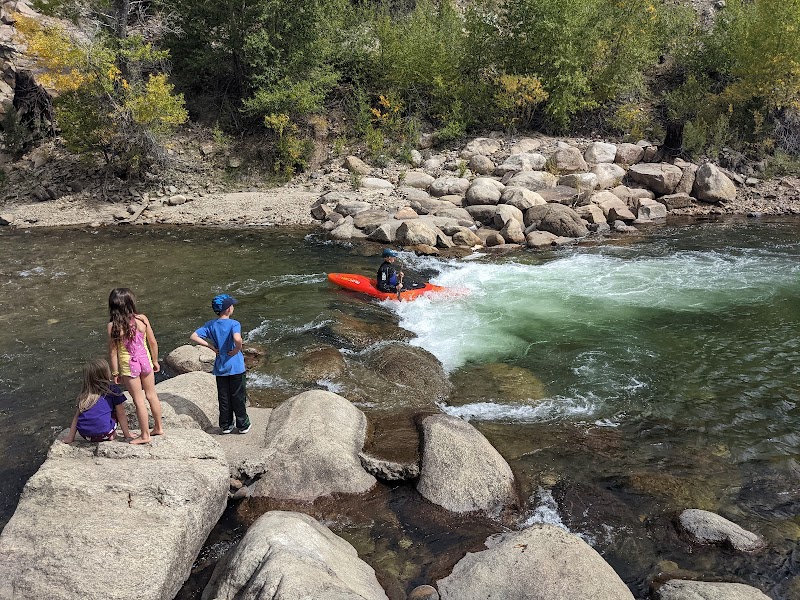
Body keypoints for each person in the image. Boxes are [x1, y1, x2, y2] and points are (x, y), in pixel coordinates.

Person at [107, 287, 164, 445]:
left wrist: (115, 372)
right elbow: (152, 342)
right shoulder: (142, 319)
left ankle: (145, 435)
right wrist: (155, 360)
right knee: (152, 395)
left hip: (129, 366)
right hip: (145, 362)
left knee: (139, 400)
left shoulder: (113, 326)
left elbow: (113, 352)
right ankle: (158, 427)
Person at [190, 294, 251, 434]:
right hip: (236, 367)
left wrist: (211, 347)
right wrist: (237, 348)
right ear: (229, 309)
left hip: (221, 368)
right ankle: (243, 424)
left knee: (224, 397)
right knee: (238, 396)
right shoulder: (234, 324)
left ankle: (226, 425)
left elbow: (193, 336)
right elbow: (237, 338)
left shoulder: (211, 324)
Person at [63, 358, 135, 444]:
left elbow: (76, 417)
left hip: (85, 435)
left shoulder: (85, 394)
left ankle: (100, 435)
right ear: (106, 374)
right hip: (104, 434)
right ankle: (111, 435)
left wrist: (70, 438)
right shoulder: (113, 390)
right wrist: (127, 435)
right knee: (115, 412)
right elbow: (121, 414)